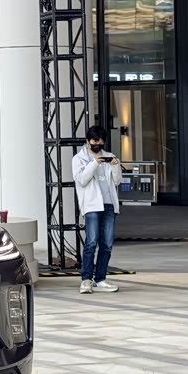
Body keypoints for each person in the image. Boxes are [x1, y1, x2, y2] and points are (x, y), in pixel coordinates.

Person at [73, 125, 121, 294]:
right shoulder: (79, 159)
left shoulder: (109, 156)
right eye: (94, 142)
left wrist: (115, 166)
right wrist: (94, 163)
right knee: (91, 242)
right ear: (88, 141)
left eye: (100, 143)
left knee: (107, 244)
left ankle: (100, 279)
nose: (97, 145)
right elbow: (82, 180)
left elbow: (117, 181)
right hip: (92, 205)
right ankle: (86, 279)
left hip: (109, 204)